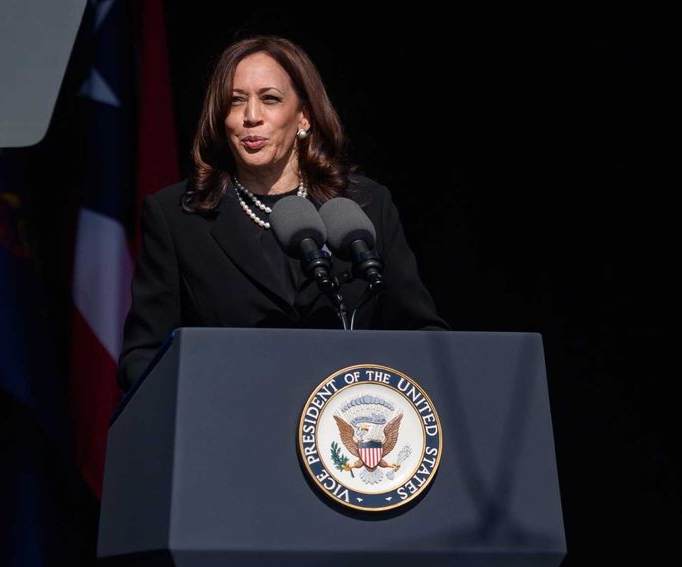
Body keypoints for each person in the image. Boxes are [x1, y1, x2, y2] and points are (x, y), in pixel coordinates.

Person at [117, 36, 447, 391]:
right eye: (235, 101)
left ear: (303, 116)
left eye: (270, 99)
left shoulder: (365, 205)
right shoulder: (178, 217)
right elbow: (142, 357)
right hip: (231, 425)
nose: (251, 117)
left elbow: (423, 335)